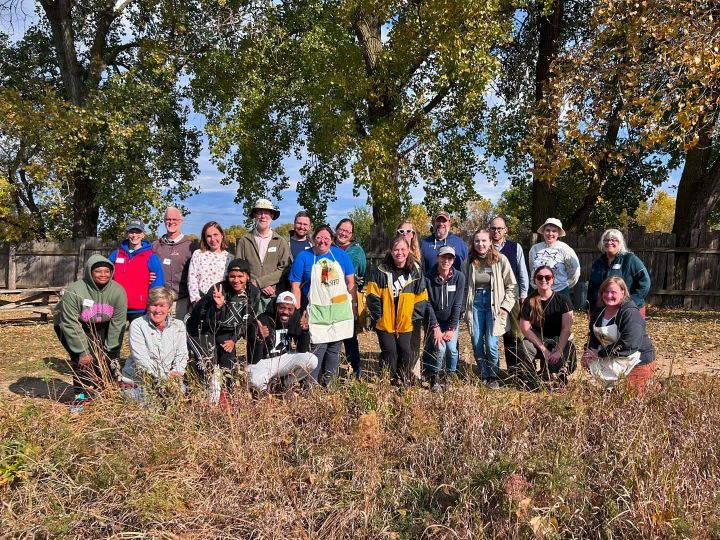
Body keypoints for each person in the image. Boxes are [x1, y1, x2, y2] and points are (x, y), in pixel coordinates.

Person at [53, 255, 128, 412]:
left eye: (107, 271)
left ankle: (103, 392)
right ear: (89, 272)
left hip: (102, 325)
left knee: (105, 360)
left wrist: (109, 350)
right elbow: (70, 322)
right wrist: (82, 351)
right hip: (71, 325)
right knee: (83, 363)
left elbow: (118, 322)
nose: (103, 274)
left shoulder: (118, 291)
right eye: (98, 271)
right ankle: (80, 397)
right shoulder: (75, 290)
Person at [289, 225, 356, 386]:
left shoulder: (341, 256)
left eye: (326, 238)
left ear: (332, 240)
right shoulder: (304, 257)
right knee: (317, 349)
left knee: (334, 349)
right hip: (316, 310)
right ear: (313, 239)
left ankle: (329, 384)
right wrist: (297, 310)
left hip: (339, 311)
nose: (322, 241)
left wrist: (353, 306)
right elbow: (295, 285)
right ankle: (310, 385)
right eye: (319, 238)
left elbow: (351, 282)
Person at [186, 258, 261, 397]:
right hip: (200, 329)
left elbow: (247, 319)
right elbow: (206, 321)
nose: (236, 280)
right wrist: (218, 307)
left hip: (226, 331)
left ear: (248, 276)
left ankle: (226, 397)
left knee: (228, 363)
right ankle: (199, 396)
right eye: (232, 276)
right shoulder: (218, 290)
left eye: (240, 276)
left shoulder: (253, 292)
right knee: (208, 364)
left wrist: (233, 340)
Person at [366, 236, 428, 386]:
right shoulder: (381, 270)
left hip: (405, 321)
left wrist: (413, 317)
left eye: (402, 249)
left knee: (405, 351)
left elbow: (421, 297)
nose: (399, 253)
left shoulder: (416, 271)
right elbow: (372, 295)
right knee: (390, 351)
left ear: (408, 251)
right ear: (391, 252)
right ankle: (387, 379)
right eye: (396, 249)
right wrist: (379, 317)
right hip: (385, 321)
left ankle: (404, 378)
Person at [582, 277, 656, 395]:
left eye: (613, 292)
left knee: (631, 398)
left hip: (636, 361)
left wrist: (600, 354)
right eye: (606, 292)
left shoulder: (629, 312)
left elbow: (630, 343)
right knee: (612, 396)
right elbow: (593, 336)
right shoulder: (598, 311)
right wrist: (588, 353)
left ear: (623, 292)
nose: (609, 295)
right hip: (613, 358)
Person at [463, 229, 517, 389]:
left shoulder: (500, 260)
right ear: (473, 243)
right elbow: (464, 286)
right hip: (475, 304)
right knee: (477, 340)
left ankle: (493, 375)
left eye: (484, 241)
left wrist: (506, 307)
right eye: (477, 241)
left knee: (492, 342)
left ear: (490, 242)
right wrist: (464, 308)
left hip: (494, 305)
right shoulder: (469, 261)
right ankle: (484, 374)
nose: (481, 244)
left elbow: (512, 285)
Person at [120, 287, 188, 401]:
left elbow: (182, 354)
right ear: (148, 306)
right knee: (148, 401)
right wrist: (165, 376)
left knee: (180, 391)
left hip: (169, 379)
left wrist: (177, 372)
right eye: (154, 305)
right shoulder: (138, 324)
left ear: (169, 308)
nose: (157, 310)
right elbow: (141, 359)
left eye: (162, 306)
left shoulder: (179, 325)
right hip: (139, 381)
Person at [246, 292, 318, 394]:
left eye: (290, 309)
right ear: (275, 307)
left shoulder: (296, 317)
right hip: (264, 361)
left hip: (283, 358)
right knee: (255, 381)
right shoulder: (261, 320)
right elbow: (253, 359)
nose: (285, 312)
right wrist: (259, 339)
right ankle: (265, 392)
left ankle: (287, 384)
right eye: (282, 308)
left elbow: (302, 350)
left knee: (312, 360)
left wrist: (305, 331)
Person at [519, 266, 577, 387]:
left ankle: (561, 375)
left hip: (558, 337)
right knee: (524, 347)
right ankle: (531, 378)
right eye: (540, 277)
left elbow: (566, 328)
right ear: (534, 280)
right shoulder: (529, 301)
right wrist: (543, 349)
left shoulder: (563, 300)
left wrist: (559, 351)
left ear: (553, 279)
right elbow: (525, 328)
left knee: (569, 347)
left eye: (547, 277)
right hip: (538, 339)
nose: (543, 280)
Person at [489, 216, 530, 385]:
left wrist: (523, 294)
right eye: (493, 228)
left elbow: (522, 272)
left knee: (513, 335)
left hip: (511, 296)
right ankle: (492, 371)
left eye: (500, 228)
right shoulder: (485, 246)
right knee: (491, 335)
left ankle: (515, 372)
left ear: (506, 229)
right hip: (491, 296)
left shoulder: (515, 247)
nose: (496, 231)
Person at [236, 198, 291, 313]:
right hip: (249, 295)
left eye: (266, 212)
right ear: (255, 215)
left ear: (271, 216)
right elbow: (239, 269)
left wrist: (262, 282)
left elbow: (285, 267)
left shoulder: (280, 241)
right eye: (259, 212)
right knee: (250, 329)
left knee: (269, 329)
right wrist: (255, 284)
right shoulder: (244, 241)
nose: (263, 216)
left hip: (273, 295)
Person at [422, 246, 465, 392]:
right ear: (437, 258)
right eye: (443, 257)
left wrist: (452, 329)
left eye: (450, 258)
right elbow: (427, 304)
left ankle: (450, 376)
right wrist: (435, 327)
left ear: (453, 260)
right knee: (440, 348)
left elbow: (458, 304)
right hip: (434, 320)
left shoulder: (459, 277)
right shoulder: (428, 277)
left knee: (452, 349)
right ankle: (434, 377)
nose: (446, 261)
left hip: (451, 321)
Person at [109, 220, 164, 322]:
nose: (134, 235)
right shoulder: (117, 254)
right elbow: (106, 274)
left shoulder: (151, 256)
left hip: (140, 308)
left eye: (138, 232)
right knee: (115, 337)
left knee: (137, 337)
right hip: (117, 305)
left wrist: (154, 304)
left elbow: (158, 283)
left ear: (143, 235)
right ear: (127, 234)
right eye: (131, 232)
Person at [587, 229, 651, 317]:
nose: (609, 242)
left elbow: (645, 282)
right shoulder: (598, 263)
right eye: (606, 240)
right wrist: (590, 307)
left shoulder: (630, 259)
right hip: (603, 310)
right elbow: (592, 286)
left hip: (627, 310)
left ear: (620, 243)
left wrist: (632, 302)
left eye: (613, 240)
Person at [334, 218, 367, 377]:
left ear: (351, 234)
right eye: (342, 229)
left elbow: (361, 273)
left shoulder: (357, 251)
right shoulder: (328, 247)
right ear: (336, 229)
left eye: (348, 231)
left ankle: (355, 368)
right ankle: (330, 369)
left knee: (349, 334)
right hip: (329, 298)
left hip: (348, 297)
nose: (344, 233)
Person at [152, 207, 198, 320]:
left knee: (179, 334)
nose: (171, 222)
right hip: (160, 300)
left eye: (174, 219)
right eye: (168, 219)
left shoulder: (190, 246)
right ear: (164, 221)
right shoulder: (155, 246)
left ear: (180, 221)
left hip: (182, 301)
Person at [528, 218, 580, 297]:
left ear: (558, 233)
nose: (550, 233)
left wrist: (564, 284)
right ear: (544, 232)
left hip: (559, 291)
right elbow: (532, 268)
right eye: (548, 230)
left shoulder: (565, 249)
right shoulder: (535, 249)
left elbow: (574, 271)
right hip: (537, 291)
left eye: (554, 231)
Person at [187, 221, 233, 306]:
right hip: (201, 300)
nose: (212, 239)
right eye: (208, 236)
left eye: (215, 235)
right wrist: (195, 300)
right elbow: (192, 278)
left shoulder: (230, 258)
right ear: (204, 238)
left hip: (222, 302)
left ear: (222, 235)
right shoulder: (198, 254)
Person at [420, 210, 468, 275]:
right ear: (433, 223)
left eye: (444, 221)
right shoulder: (424, 244)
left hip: (454, 284)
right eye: (438, 221)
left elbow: (467, 268)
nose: (441, 224)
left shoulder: (460, 244)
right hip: (429, 284)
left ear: (449, 223)